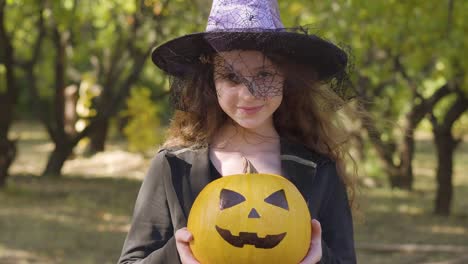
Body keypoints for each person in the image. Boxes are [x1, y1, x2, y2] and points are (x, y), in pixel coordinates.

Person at [118, 0, 357, 263]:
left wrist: (318, 258)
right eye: (231, 77)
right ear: (210, 82)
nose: (248, 93)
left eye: (264, 75)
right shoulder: (174, 166)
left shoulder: (317, 168)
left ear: (286, 79)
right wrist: (176, 254)